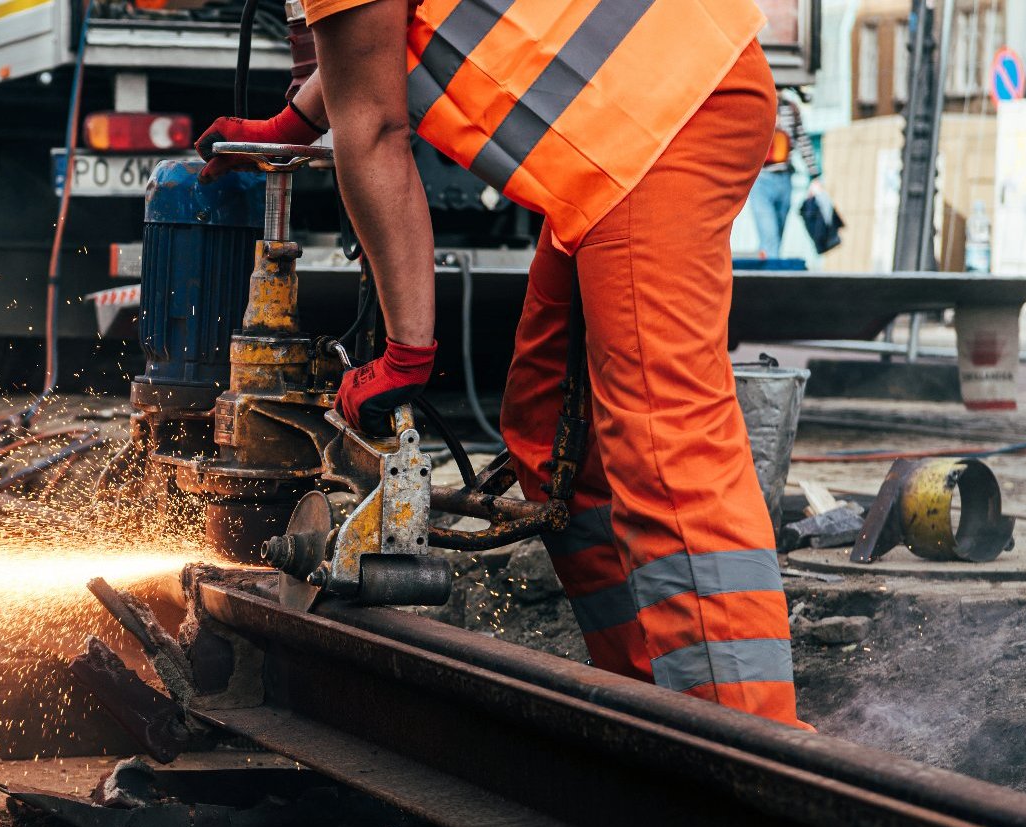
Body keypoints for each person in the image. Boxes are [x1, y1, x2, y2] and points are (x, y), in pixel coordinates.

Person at [198, 0, 809, 729]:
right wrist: (295, 124)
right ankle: (650, 696)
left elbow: (377, 128)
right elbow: (372, 40)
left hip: (659, 122)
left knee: (660, 440)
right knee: (553, 432)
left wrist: (405, 351)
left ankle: (748, 744)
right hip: (654, 104)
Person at [750, 88, 822, 259]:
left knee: (777, 235)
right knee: (769, 237)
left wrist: (814, 175)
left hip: (785, 179)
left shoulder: (791, 108)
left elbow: (803, 141)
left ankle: (765, 273)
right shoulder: (757, 108)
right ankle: (771, 279)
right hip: (761, 179)